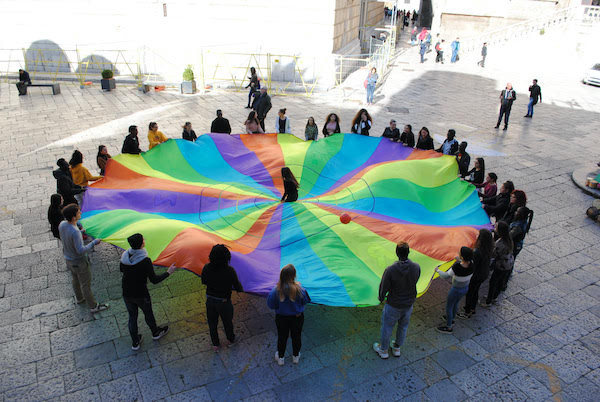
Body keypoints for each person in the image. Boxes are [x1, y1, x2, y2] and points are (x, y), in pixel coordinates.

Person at [120, 233, 174, 350]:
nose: (144, 240)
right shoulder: (145, 260)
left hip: (127, 293)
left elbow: (121, 270)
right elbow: (154, 280)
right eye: (143, 239)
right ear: (141, 244)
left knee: (132, 317)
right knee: (148, 313)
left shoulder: (124, 256)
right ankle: (155, 333)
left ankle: (135, 342)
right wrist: (168, 272)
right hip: (141, 294)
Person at [373, 242, 420, 359]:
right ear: (409, 252)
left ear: (396, 253)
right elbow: (415, 280)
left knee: (387, 327)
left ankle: (383, 350)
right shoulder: (416, 267)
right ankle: (397, 347)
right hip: (408, 304)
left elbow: (384, 286)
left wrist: (381, 297)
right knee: (403, 326)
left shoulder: (390, 270)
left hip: (394, 304)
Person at [59, 204, 108, 313]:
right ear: (73, 217)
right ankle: (93, 306)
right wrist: (94, 242)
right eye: (78, 212)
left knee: (75, 280)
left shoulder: (62, 224)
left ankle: (80, 298)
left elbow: (68, 237)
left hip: (69, 260)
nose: (80, 213)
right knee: (86, 284)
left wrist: (80, 233)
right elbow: (80, 250)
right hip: (79, 261)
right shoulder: (75, 231)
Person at [201, 244, 244, 350]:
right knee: (227, 322)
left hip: (210, 300)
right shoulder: (229, 271)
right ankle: (231, 339)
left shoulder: (206, 268)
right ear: (226, 258)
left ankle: (215, 344)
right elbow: (238, 287)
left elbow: (204, 281)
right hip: (224, 302)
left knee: (212, 323)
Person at [267, 264, 310, 366]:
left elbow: (270, 305)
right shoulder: (300, 290)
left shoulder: (275, 291)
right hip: (297, 318)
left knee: (282, 337)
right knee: (296, 336)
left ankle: (281, 358)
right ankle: (295, 356)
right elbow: (306, 301)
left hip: (282, 318)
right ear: (294, 276)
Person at [434, 246, 474, 333]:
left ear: (462, 256)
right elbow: (465, 264)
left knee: (449, 306)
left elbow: (445, 276)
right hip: (465, 288)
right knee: (456, 303)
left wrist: (438, 270)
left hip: (455, 289)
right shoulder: (472, 264)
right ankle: (452, 318)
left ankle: (449, 327)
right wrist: (459, 260)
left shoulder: (456, 267)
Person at [458, 229, 494, 319]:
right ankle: (473, 309)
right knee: (475, 291)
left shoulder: (477, 252)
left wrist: (460, 261)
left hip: (476, 276)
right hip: (483, 274)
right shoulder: (489, 248)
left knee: (470, 293)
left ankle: (467, 311)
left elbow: (471, 265)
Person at [481, 221, 514, 307]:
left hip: (501, 266)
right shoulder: (508, 239)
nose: (494, 229)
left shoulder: (500, 244)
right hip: (508, 264)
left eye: (496, 227)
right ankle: (494, 297)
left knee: (493, 282)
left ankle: (488, 302)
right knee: (500, 281)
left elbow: (494, 254)